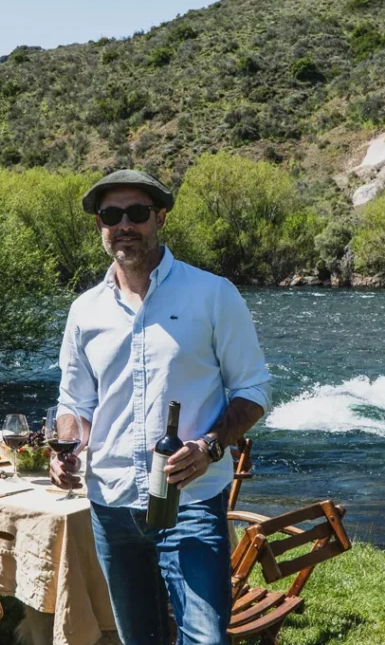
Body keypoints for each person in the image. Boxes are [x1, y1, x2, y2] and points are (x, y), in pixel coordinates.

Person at [51, 169, 271, 645]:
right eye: (112, 215)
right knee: (140, 639)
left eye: (137, 213)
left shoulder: (212, 294)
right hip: (111, 502)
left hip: (188, 499)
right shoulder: (85, 310)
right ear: (100, 227)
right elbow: (74, 402)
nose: (124, 224)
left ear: (161, 218)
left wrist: (210, 446)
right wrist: (66, 447)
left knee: (205, 638)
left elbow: (253, 390)